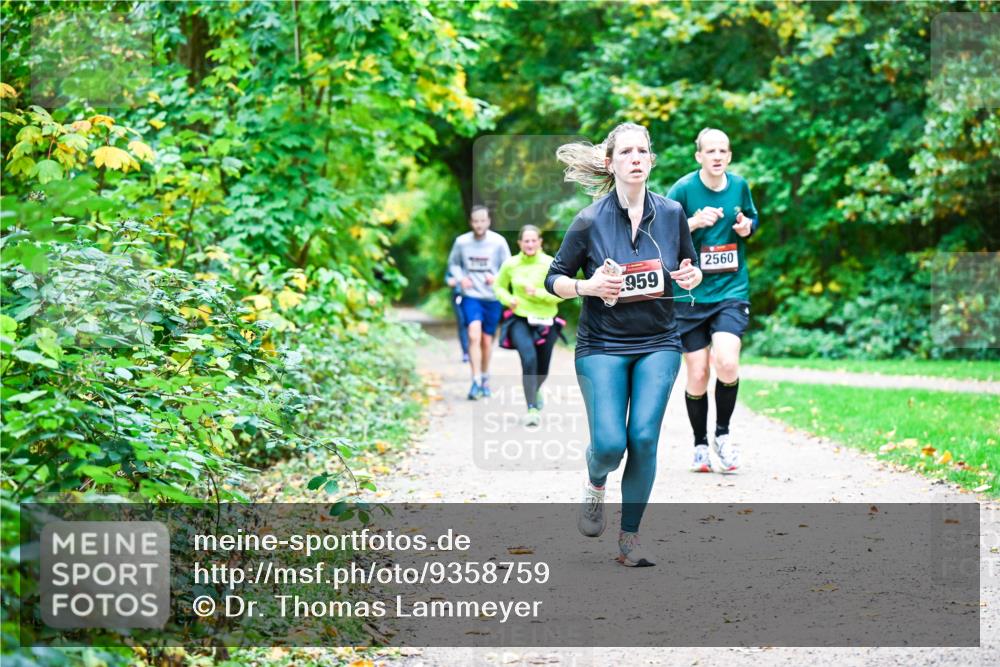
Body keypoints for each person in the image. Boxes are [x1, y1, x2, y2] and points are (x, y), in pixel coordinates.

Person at [545, 122, 701, 567]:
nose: (635, 158)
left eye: (642, 151)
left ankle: (629, 538)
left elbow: (689, 267)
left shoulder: (671, 213)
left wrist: (692, 276)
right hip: (602, 345)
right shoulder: (589, 220)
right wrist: (588, 287)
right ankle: (596, 480)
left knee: (644, 437)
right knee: (611, 445)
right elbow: (553, 279)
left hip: (659, 340)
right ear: (610, 163)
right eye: (626, 152)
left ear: (651, 160)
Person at [666, 128, 760, 474]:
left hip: (731, 291)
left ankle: (722, 435)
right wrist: (693, 222)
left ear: (729, 156)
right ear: (699, 156)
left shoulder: (740, 186)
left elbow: (752, 218)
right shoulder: (683, 189)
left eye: (723, 150)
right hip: (690, 295)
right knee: (698, 372)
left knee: (727, 362)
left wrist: (746, 227)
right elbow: (660, 232)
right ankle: (700, 445)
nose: (717, 156)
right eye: (710, 151)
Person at [493, 225, 565, 427]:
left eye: (534, 240)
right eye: (526, 241)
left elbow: (561, 294)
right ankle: (531, 408)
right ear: (520, 243)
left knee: (543, 369)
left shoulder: (550, 263)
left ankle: (536, 388)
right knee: (529, 359)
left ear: (540, 242)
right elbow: (498, 286)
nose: (530, 244)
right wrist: (508, 299)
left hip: (546, 320)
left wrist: (538, 293)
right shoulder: (511, 264)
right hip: (520, 319)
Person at [446, 205, 512, 400]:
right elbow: (453, 264)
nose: (479, 225)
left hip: (492, 297)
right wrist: (461, 279)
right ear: (471, 222)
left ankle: (484, 377)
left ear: (488, 221)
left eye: (482, 221)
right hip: (471, 295)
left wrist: (497, 278)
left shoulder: (498, 242)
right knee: (473, 335)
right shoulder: (462, 242)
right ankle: (475, 380)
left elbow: (509, 266)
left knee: (486, 340)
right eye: (476, 221)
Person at [445, 272, 471, 363]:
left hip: (474, 297)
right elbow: (449, 281)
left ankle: (475, 350)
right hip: (458, 296)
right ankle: (466, 352)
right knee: (462, 323)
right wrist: (459, 280)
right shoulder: (454, 266)